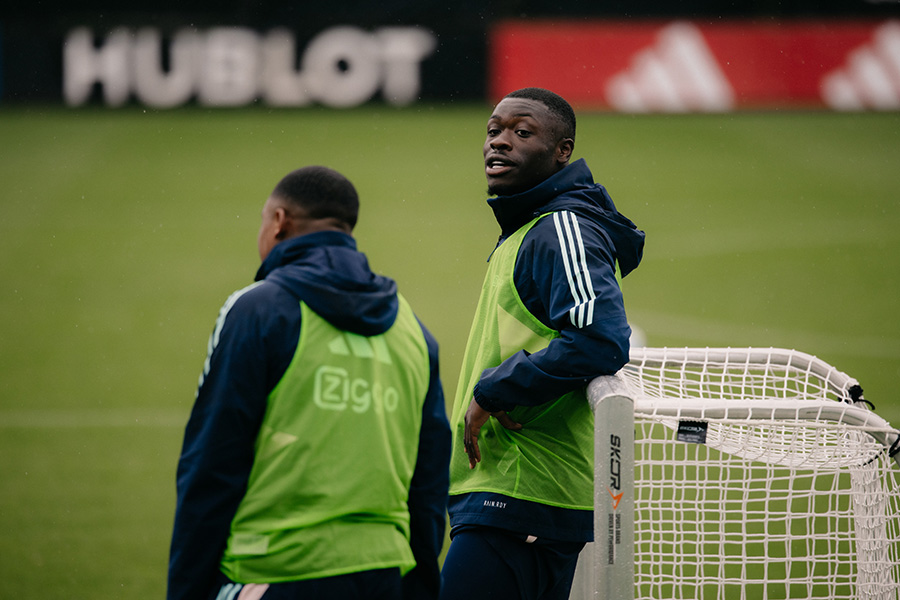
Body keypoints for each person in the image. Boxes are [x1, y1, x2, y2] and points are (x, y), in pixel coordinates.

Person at [167, 166, 451, 600]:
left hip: (273, 571)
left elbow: (212, 463)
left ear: (279, 222)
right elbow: (428, 485)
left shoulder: (257, 310)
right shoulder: (413, 330)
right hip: (383, 574)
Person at [439, 88, 645, 600]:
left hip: (524, 491)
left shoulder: (561, 227)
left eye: (521, 132)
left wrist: (496, 390)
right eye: (494, 131)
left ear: (562, 150)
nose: (500, 142)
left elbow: (599, 338)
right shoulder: (529, 227)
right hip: (510, 492)